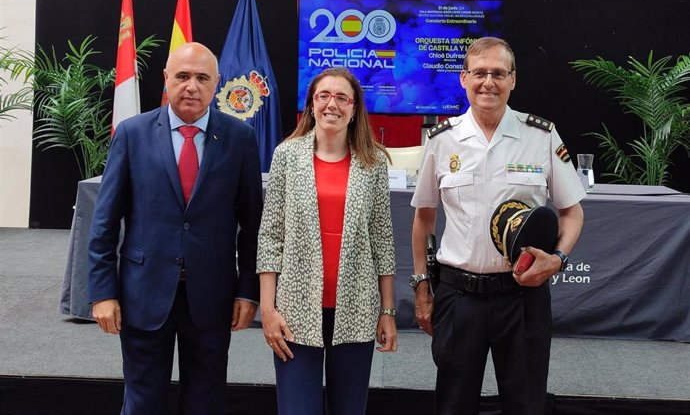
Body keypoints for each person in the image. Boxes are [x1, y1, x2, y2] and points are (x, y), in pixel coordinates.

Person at [410, 37, 585, 415]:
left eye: (498, 74)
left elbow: (572, 211)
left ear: (513, 80)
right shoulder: (442, 140)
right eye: (479, 73)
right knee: (453, 405)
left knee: (525, 403)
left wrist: (557, 258)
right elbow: (424, 216)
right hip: (459, 295)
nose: (488, 82)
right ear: (463, 78)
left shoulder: (541, 136)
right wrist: (422, 285)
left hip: (522, 295)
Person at [88, 42, 263, 415]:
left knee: (205, 401)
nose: (191, 86)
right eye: (182, 76)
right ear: (166, 79)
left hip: (212, 297)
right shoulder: (132, 134)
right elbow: (104, 221)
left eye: (202, 78)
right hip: (143, 293)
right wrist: (102, 292)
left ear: (216, 83)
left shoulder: (239, 139)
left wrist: (248, 292)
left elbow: (252, 225)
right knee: (142, 401)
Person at [257, 67, 397, 415]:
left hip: (358, 308)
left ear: (353, 108)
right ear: (311, 104)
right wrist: (268, 308)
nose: (331, 104)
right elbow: (271, 235)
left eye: (341, 98)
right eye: (323, 96)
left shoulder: (374, 162)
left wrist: (388, 311)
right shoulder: (286, 156)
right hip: (295, 311)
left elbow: (383, 240)